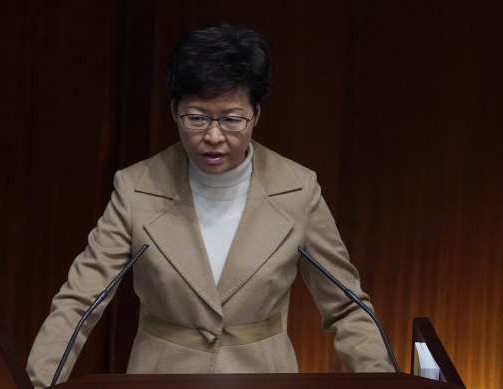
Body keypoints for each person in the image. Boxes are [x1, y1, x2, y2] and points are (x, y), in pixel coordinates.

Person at [26, 22, 393, 388]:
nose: (213, 136)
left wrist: (383, 382)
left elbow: (347, 308)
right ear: (174, 111)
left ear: (256, 115)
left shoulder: (298, 190)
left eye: (232, 120)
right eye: (197, 118)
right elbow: (80, 301)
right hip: (160, 379)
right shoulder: (136, 188)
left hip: (262, 378)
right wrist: (40, 382)